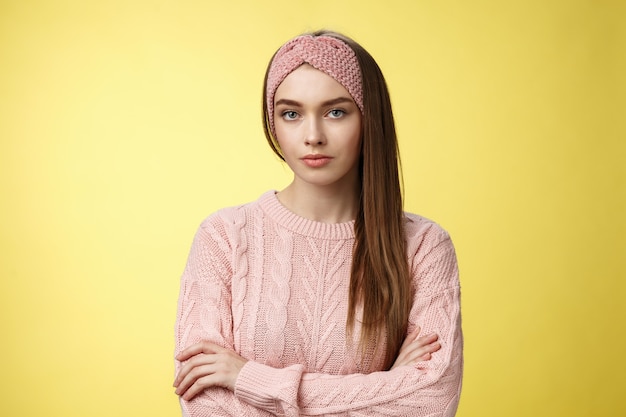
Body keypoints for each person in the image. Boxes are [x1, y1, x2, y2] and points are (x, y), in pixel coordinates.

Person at [173, 30, 463, 416]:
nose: (312, 136)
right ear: (273, 122)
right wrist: (388, 386)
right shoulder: (224, 237)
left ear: (368, 119)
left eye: (335, 112)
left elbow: (431, 401)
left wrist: (248, 378)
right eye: (291, 113)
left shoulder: (424, 246)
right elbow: (207, 404)